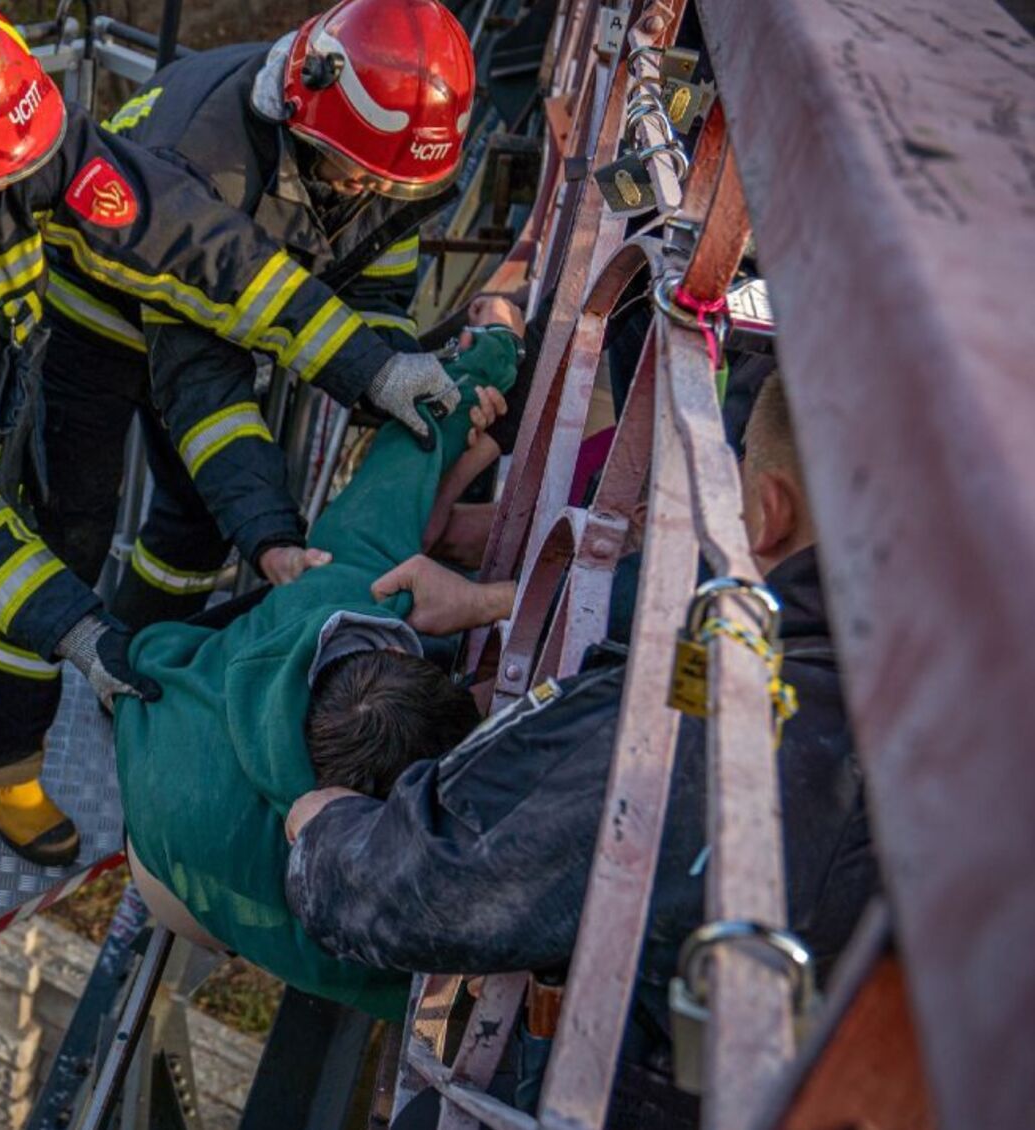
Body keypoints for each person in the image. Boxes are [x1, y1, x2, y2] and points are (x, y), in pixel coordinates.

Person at [0, 0, 470, 922]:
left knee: (31, 543)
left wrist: (368, 363)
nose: (12, 191)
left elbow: (197, 250)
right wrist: (76, 629)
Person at [285, 376, 879, 1100]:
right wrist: (498, 603)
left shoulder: (713, 733)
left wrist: (323, 833)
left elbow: (433, 887)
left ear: (769, 512)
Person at [113, 315, 522, 1014]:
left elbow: (415, 441)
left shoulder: (339, 589)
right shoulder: (365, 903)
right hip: (200, 862)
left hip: (163, 823)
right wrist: (503, 348)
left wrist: (491, 357)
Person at [40, 0, 480, 629]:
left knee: (196, 523)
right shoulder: (209, 162)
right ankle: (19, 713)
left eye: (391, 185)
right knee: (70, 533)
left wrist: (391, 378)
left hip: (218, 308)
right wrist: (270, 535)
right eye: (356, 176)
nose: (369, 192)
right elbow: (202, 380)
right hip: (96, 318)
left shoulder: (383, 162)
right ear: (304, 124)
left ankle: (140, 661)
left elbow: (373, 298)